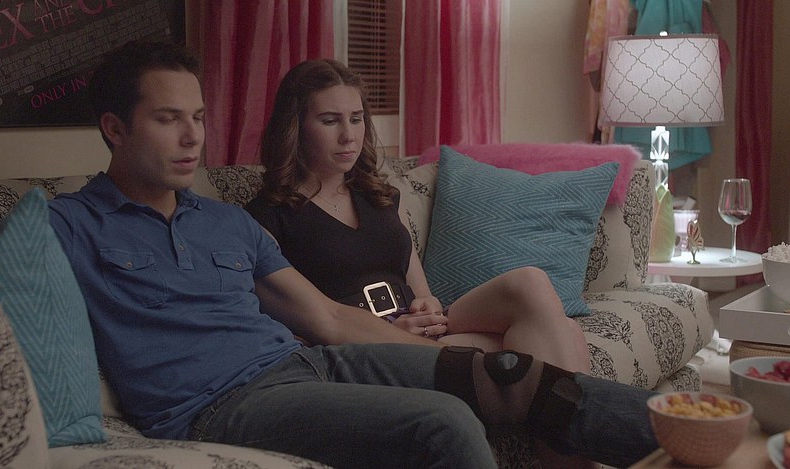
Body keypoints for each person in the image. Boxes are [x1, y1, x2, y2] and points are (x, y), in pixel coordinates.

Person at [48, 40, 657, 469]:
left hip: (308, 364)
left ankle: (697, 430)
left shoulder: (225, 222)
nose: (192, 137)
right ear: (115, 128)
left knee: (515, 376)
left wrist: (457, 362)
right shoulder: (68, 225)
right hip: (219, 406)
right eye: (167, 119)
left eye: (199, 118)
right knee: (445, 422)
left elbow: (329, 318)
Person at [244, 58, 593, 468]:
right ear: (296, 127)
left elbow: (422, 291)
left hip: (427, 332)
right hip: (366, 353)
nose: (348, 135)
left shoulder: (379, 196)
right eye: (329, 121)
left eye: (356, 119)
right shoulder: (267, 219)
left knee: (530, 284)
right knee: (562, 339)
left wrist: (426, 305)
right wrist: (391, 332)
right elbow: (303, 325)